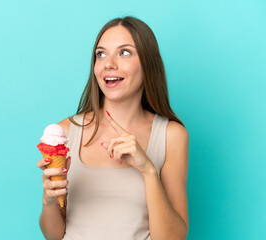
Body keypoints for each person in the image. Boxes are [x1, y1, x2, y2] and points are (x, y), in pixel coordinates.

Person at [37, 16, 189, 240]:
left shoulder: (171, 136)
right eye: (101, 54)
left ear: (148, 62)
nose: (109, 64)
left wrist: (147, 170)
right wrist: (49, 201)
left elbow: (174, 237)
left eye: (124, 52)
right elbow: (54, 235)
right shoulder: (66, 132)